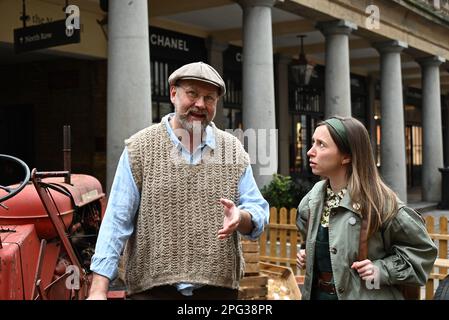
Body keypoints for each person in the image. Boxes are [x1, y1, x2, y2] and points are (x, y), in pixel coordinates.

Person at [88, 62, 269, 300]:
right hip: (151, 291)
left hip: (217, 292)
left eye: (209, 98)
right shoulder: (140, 148)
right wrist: (98, 290)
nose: (200, 105)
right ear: (173, 93)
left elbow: (258, 210)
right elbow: (116, 221)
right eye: (192, 94)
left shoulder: (232, 150)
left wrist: (241, 217)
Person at [296, 116, 437, 300]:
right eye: (313, 142)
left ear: (346, 156)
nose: (310, 152)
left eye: (321, 145)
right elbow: (313, 240)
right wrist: (309, 254)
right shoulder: (312, 199)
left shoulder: (380, 202)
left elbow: (422, 252)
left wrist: (381, 270)